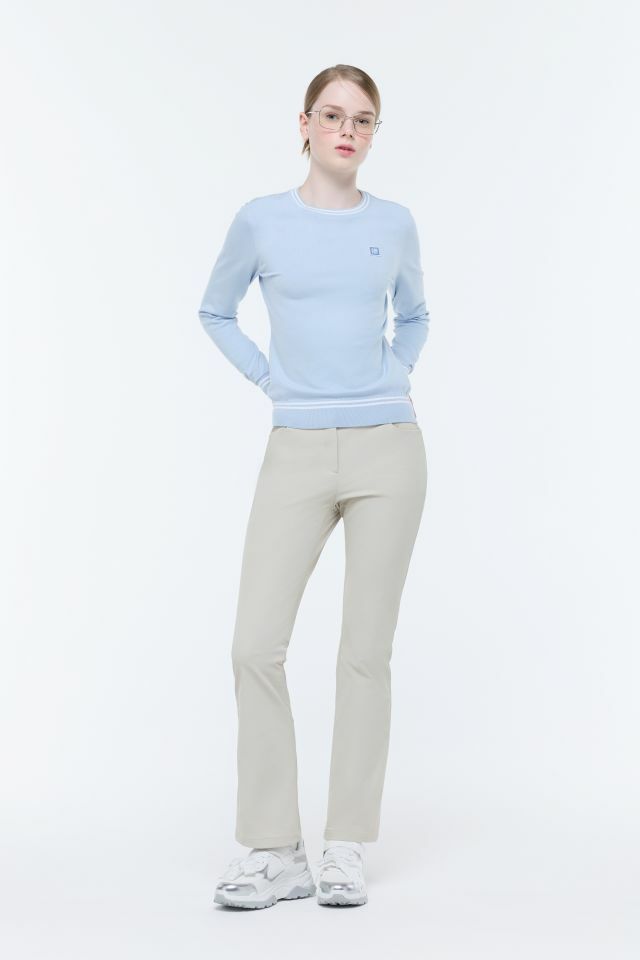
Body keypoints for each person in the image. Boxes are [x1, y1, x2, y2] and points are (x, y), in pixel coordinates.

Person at [199, 64, 430, 908]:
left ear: (373, 134)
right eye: (333, 116)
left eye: (363, 120)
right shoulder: (261, 220)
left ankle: (343, 845)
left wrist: (393, 375)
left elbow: (417, 315)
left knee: (364, 652)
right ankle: (274, 847)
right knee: (254, 646)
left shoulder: (394, 224)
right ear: (304, 125)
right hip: (295, 448)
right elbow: (215, 310)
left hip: (388, 450)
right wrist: (273, 381)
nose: (347, 131)